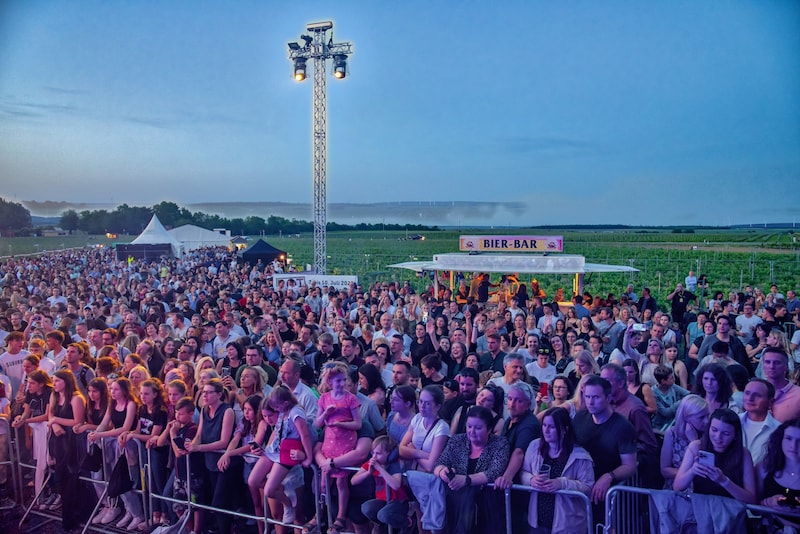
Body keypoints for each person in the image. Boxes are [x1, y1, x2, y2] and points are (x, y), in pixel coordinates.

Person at [433, 406, 510, 534]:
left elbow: (495, 471)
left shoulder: (500, 443)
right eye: (469, 426)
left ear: (489, 429)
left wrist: (466, 480)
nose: (472, 431)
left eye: (478, 428)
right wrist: (443, 472)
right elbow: (439, 464)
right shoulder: (457, 440)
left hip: (487, 508)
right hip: (454, 505)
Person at [572, 376, 637, 523]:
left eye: (595, 397)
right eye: (587, 396)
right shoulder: (580, 418)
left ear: (608, 398)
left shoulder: (623, 427)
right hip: (581, 489)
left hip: (608, 494)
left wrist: (608, 476)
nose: (590, 401)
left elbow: (630, 465)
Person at [521, 407, 594, 534]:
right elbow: (523, 472)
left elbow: (588, 486)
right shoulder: (534, 446)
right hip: (537, 520)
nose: (546, 431)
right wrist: (531, 480)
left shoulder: (580, 456)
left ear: (564, 430)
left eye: (552, 427)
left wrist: (562, 484)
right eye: (544, 425)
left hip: (567, 524)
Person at [88, 376, 144, 528]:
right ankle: (127, 510)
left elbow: (125, 427)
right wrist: (95, 434)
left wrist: (101, 434)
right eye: (111, 388)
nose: (112, 392)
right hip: (114, 444)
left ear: (124, 390)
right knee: (116, 479)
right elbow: (104, 422)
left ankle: (137, 513)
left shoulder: (131, 404)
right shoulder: (112, 404)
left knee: (127, 480)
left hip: (127, 446)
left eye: (116, 389)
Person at [314, 362, 362, 533]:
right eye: (337, 381)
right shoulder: (324, 398)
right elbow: (318, 423)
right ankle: (319, 512)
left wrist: (343, 424)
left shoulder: (351, 399)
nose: (341, 384)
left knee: (341, 481)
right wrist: (326, 413)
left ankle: (340, 516)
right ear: (329, 382)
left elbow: (358, 423)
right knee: (323, 483)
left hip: (345, 442)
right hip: (330, 442)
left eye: (343, 380)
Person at [674, 408, 756, 503]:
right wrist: (692, 471)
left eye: (726, 433)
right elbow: (677, 487)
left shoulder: (743, 454)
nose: (718, 437)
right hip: (700, 507)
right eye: (714, 430)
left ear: (735, 435)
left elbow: (751, 499)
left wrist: (724, 481)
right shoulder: (697, 446)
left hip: (730, 511)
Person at [186, 377, 235, 534]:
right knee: (215, 501)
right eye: (203, 392)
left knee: (219, 501)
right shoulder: (204, 411)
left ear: (219, 394)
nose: (205, 396)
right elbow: (199, 434)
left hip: (224, 462)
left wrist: (199, 448)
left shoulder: (227, 411)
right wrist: (192, 445)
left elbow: (223, 441)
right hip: (209, 461)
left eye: (208, 393)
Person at [47, 369, 87, 531]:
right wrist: (55, 423)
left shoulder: (76, 398)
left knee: (72, 478)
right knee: (61, 477)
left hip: (72, 441)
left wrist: (56, 420)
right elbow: (50, 415)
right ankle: (67, 515)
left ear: (66, 381)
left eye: (57, 381)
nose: (54, 384)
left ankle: (75, 517)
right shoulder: (54, 395)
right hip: (58, 439)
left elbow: (78, 421)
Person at [352, 435, 410, 533]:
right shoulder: (372, 463)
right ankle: (381, 526)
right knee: (367, 508)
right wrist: (368, 473)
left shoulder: (395, 464)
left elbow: (396, 485)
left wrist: (380, 469)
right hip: (382, 500)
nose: (374, 456)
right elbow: (353, 481)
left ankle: (407, 523)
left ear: (390, 454)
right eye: (373, 453)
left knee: (384, 514)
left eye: (378, 453)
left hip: (398, 501)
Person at [757, 418, 800, 532]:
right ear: (780, 439)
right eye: (788, 438)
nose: (793, 445)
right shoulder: (764, 468)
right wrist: (767, 502)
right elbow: (751, 508)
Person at [660, 395, 709, 489]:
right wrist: (687, 475)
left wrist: (694, 442)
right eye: (701, 417)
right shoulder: (672, 434)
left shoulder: (710, 434)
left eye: (707, 415)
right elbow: (665, 470)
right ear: (687, 418)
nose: (707, 421)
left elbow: (705, 468)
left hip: (700, 490)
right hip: (677, 489)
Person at [739, 378, 780, 465]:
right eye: (747, 393)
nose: (750, 398)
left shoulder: (778, 430)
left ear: (770, 401)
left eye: (757, 395)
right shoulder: (734, 422)